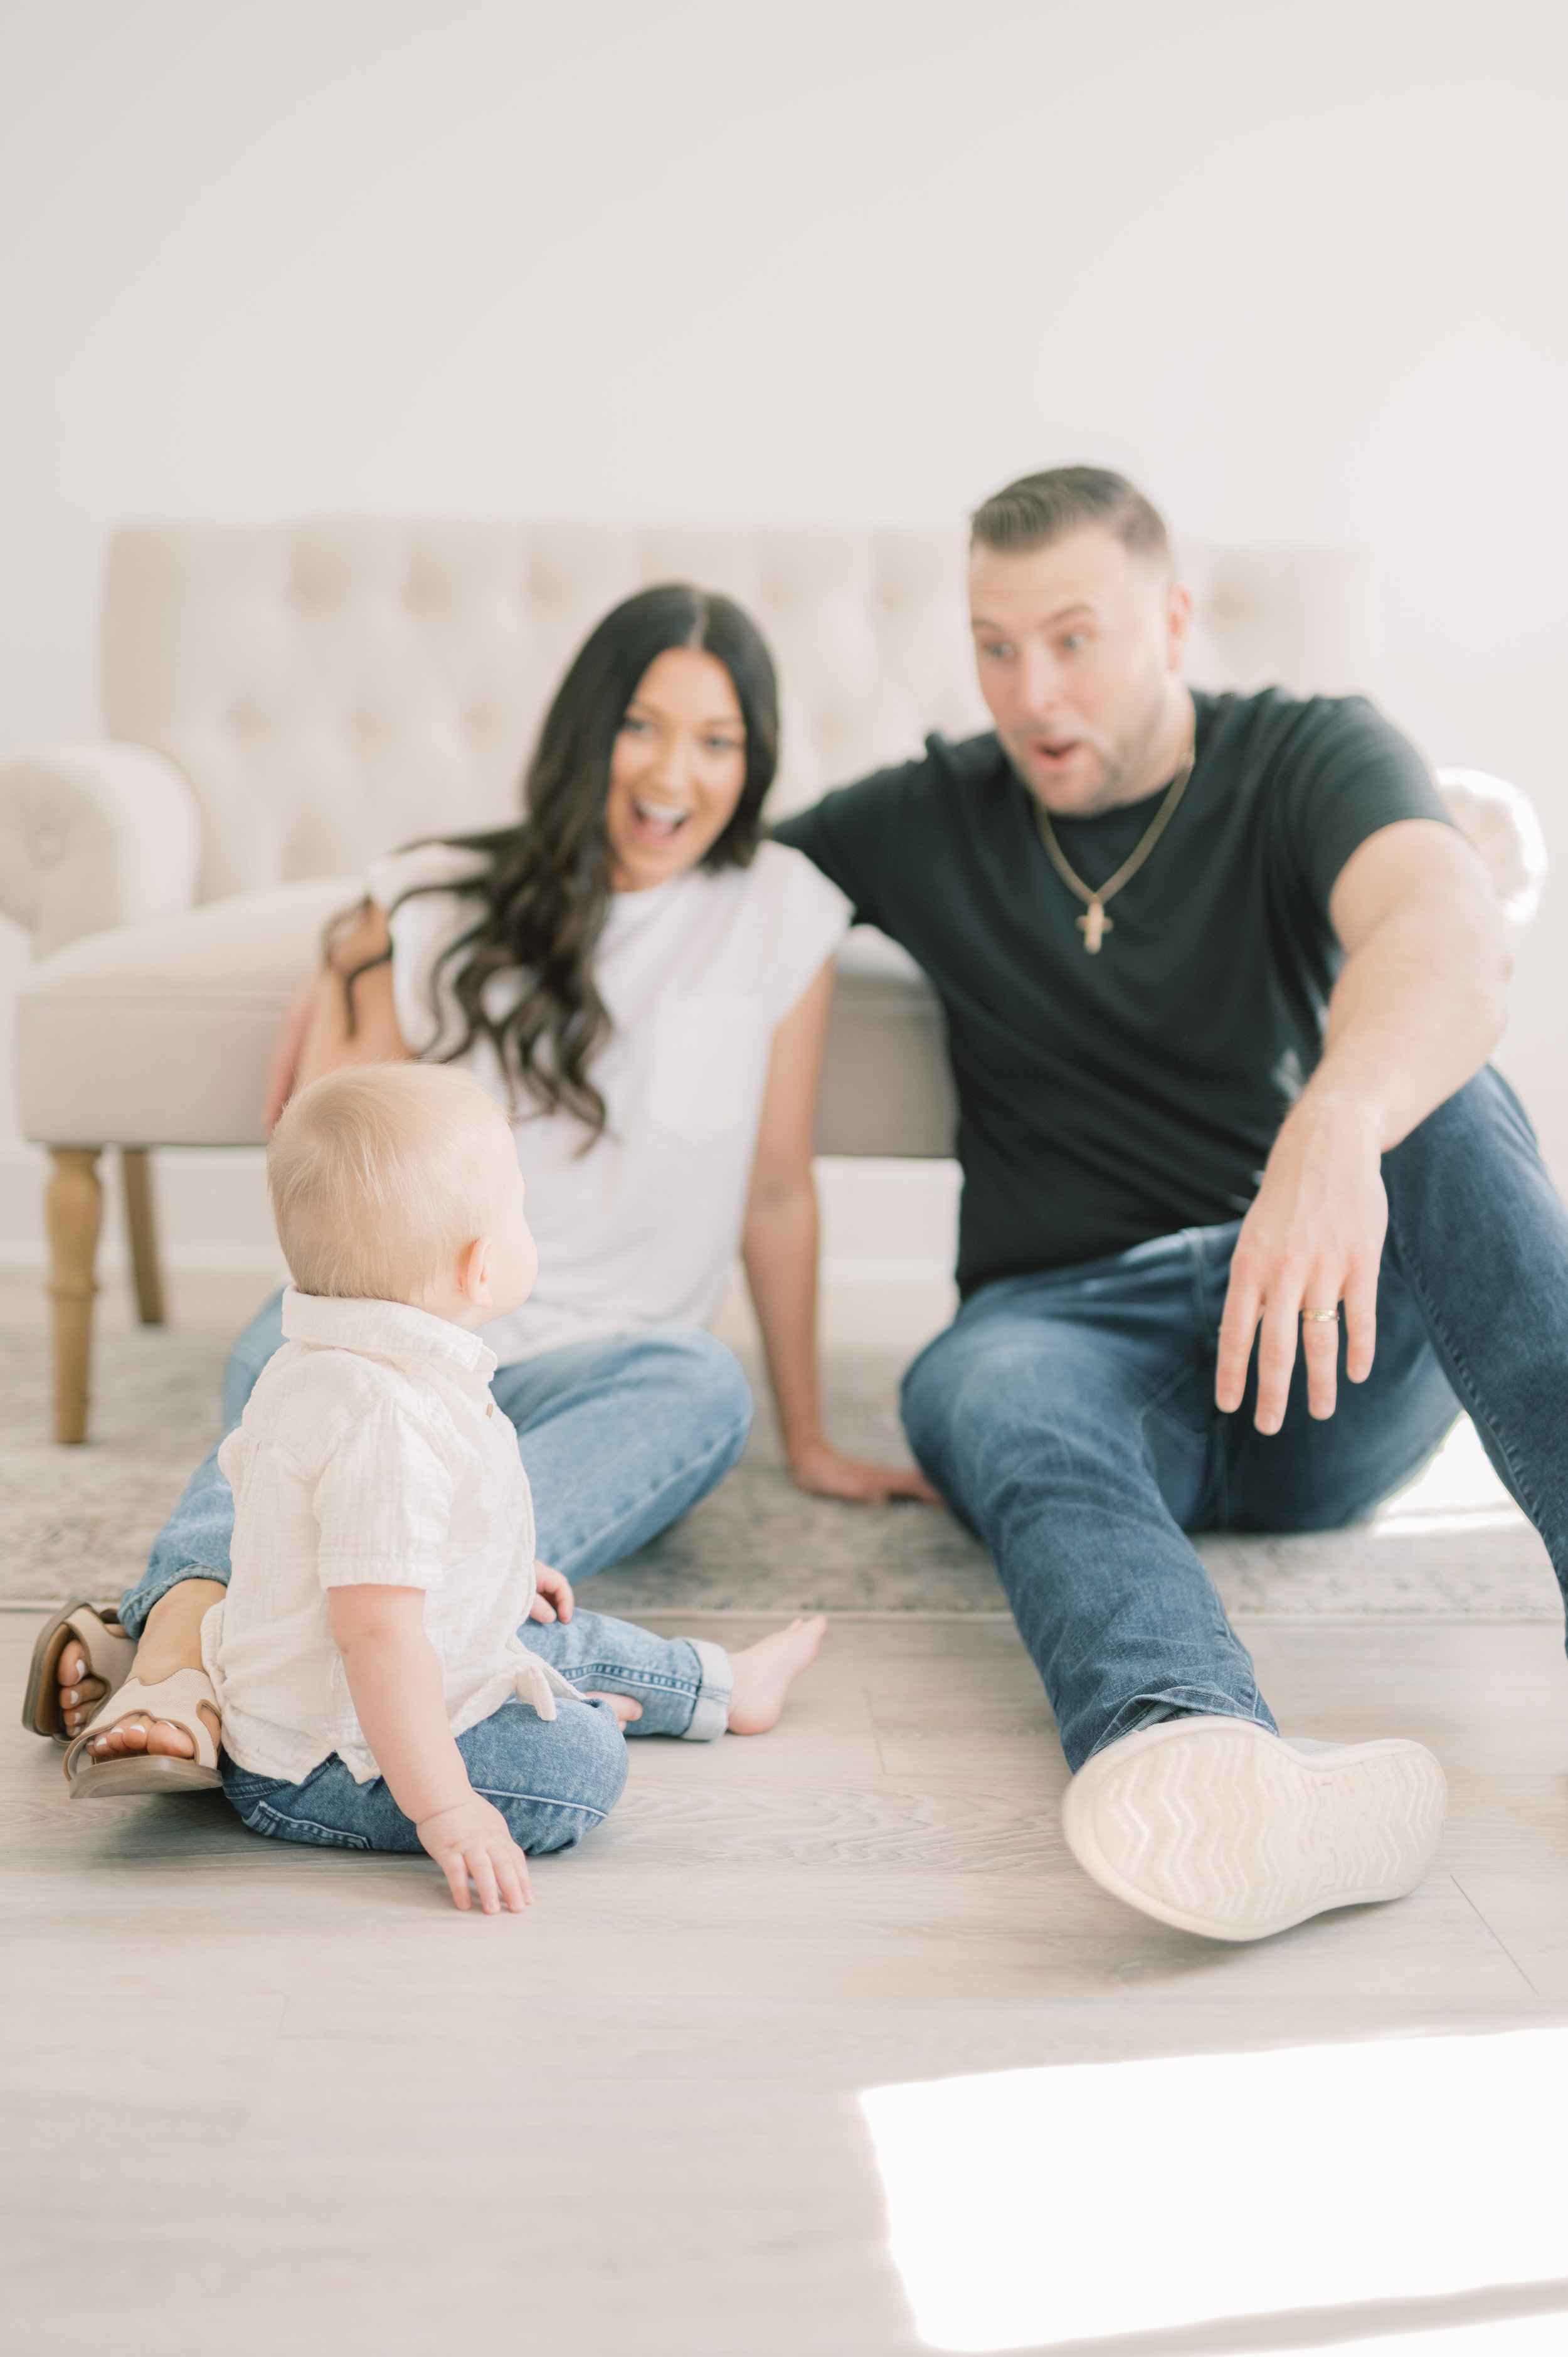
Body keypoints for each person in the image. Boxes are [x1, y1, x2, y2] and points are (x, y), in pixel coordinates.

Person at [775, 464, 1565, 1944]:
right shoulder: (931, 813)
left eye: (1071, 638)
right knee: (977, 1379)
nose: (1030, 691)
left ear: (1171, 619)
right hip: (1062, 1334)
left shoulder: (1305, 754)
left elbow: (1447, 931)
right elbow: (677, 871)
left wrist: (1334, 1120)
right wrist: (390, 906)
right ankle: (1194, 1756)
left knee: (1450, 1098)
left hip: (1318, 1326)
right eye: (994, 647)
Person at [36, 583, 930, 1793]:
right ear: (586, 731)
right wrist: (352, 952)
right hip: (405, 1328)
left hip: (602, 1358)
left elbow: (776, 1191)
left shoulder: (781, 911)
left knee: (705, 1386)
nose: (677, 771)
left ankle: (203, 1650)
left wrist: (811, 1434)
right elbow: (332, 1159)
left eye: (720, 742)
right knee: (303, 1366)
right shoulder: (439, 901)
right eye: (644, 726)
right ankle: (193, 1665)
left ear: (754, 763)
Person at [65, 1062, 823, 1904]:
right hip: (320, 1764)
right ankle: (580, 1717)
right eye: (521, 1211)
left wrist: (488, 1560)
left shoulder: (332, 1362)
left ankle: (714, 1684)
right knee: (582, 1760)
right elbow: (377, 1640)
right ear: (482, 1269)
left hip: (342, 1680)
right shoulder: (385, 1419)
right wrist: (450, 1810)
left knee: (554, 1626)